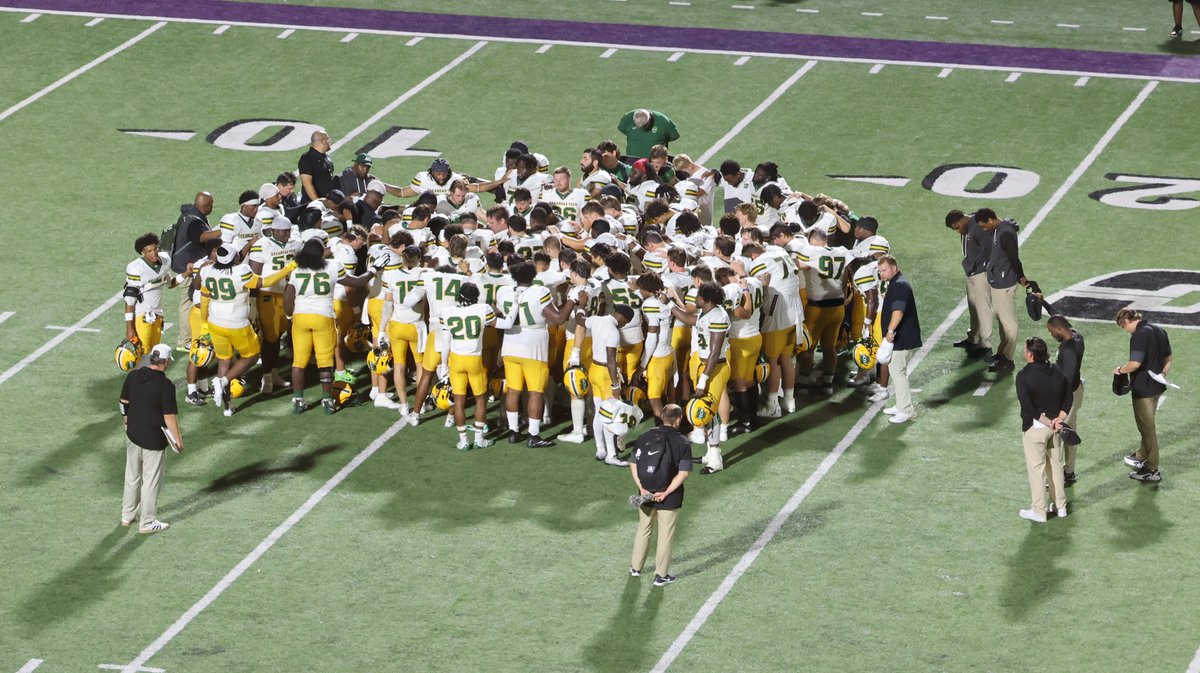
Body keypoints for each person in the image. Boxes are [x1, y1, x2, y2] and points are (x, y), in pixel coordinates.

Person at [119, 344, 181, 534]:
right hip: (153, 440)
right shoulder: (165, 385)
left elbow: (123, 404)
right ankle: (147, 521)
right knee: (150, 481)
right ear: (166, 362)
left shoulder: (133, 376)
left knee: (132, 476)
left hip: (133, 435)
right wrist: (177, 440)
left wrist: (128, 423)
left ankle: (127, 515)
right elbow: (169, 417)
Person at [629, 404, 692, 587]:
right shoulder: (682, 441)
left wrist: (642, 488)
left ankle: (635, 568)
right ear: (678, 419)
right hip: (669, 497)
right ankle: (661, 575)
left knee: (644, 528)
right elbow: (684, 473)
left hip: (645, 492)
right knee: (665, 534)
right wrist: (666, 492)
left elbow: (633, 463)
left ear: (662, 416)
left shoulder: (645, 436)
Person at [1014, 337, 1071, 523]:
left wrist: (1048, 422)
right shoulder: (1056, 370)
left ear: (1030, 355)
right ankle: (1061, 506)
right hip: (1054, 429)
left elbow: (1029, 409)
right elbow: (1068, 396)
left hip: (1037, 429)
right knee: (1055, 467)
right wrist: (1059, 419)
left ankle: (1039, 511)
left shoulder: (1023, 376)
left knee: (1037, 469)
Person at [1115, 308, 1172, 482]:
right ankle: (1141, 455)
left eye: (1123, 326)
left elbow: (1135, 363)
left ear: (1127, 320)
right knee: (1148, 426)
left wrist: (1120, 370)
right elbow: (1168, 357)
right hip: (1157, 386)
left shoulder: (1139, 335)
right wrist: (1163, 374)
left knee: (1147, 429)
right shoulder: (1160, 330)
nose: (1125, 330)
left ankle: (1152, 469)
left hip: (1143, 390)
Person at [977, 208, 1024, 373]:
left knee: (1010, 325)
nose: (984, 229)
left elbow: (1014, 258)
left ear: (991, 220)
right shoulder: (997, 229)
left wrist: (1022, 277)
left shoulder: (1005, 234)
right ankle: (1002, 353)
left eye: (984, 226)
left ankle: (1008, 359)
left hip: (1004, 285)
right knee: (1002, 322)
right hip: (998, 283)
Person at [878, 255, 922, 424]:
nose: (882, 274)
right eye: (880, 271)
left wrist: (890, 331)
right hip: (901, 337)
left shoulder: (899, 285)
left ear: (894, 268)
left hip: (901, 338)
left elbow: (898, 311)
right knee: (896, 373)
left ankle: (906, 410)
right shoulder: (896, 283)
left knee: (898, 373)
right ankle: (900, 405)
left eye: (884, 270)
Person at [171, 192, 217, 350]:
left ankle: (187, 339)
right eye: (211, 204)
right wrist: (222, 231)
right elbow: (200, 237)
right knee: (188, 302)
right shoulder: (194, 221)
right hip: (187, 266)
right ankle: (184, 341)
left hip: (184, 262)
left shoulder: (191, 213)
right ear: (206, 205)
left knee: (189, 301)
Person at [945, 209, 993, 358]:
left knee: (983, 309)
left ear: (962, 219)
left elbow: (989, 248)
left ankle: (986, 345)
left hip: (980, 273)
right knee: (973, 307)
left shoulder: (978, 227)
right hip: (972, 272)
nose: (958, 231)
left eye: (957, 227)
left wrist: (978, 267)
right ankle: (973, 338)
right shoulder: (968, 227)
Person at [1046, 315, 1085, 486]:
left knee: (1058, 435)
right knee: (1070, 432)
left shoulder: (1068, 352)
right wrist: (1044, 303)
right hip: (1077, 391)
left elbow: (1067, 380)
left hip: (1068, 396)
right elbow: (1059, 317)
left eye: (1052, 331)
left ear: (1060, 329)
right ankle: (1069, 471)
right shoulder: (1077, 336)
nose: (1051, 334)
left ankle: (1056, 476)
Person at [298, 131, 336, 203]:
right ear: (323, 141)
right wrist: (318, 203)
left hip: (326, 203)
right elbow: (307, 184)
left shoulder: (326, 157)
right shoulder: (307, 158)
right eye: (328, 139)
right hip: (312, 205)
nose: (330, 142)